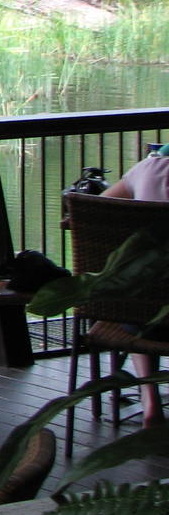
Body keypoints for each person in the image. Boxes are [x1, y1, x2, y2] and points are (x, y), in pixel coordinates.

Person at [101, 151, 169, 425]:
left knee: (140, 300)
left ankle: (150, 398)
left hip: (140, 316)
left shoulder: (150, 168)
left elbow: (101, 206)